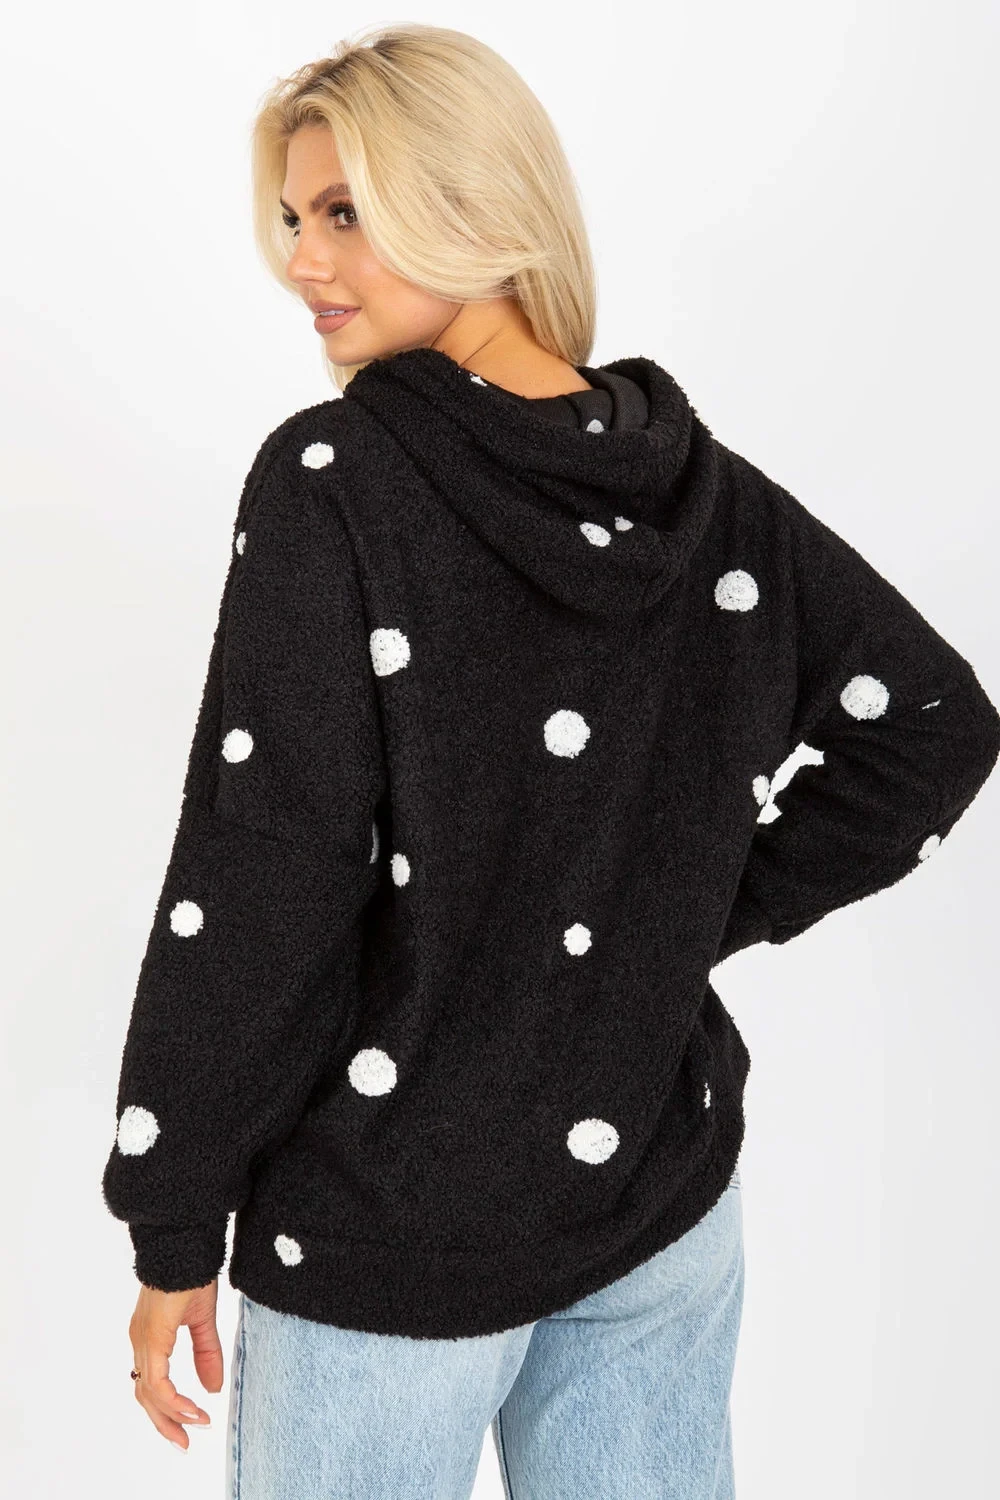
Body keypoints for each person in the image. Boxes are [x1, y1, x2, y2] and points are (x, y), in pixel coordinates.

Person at [100, 23, 1000, 1500]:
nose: (303, 262)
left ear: (476, 212)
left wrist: (173, 1217)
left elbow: (269, 881)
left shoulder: (337, 479)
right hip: (654, 1189)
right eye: (295, 216)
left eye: (346, 213)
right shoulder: (695, 491)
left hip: (391, 1230)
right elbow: (933, 727)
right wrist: (665, 923)